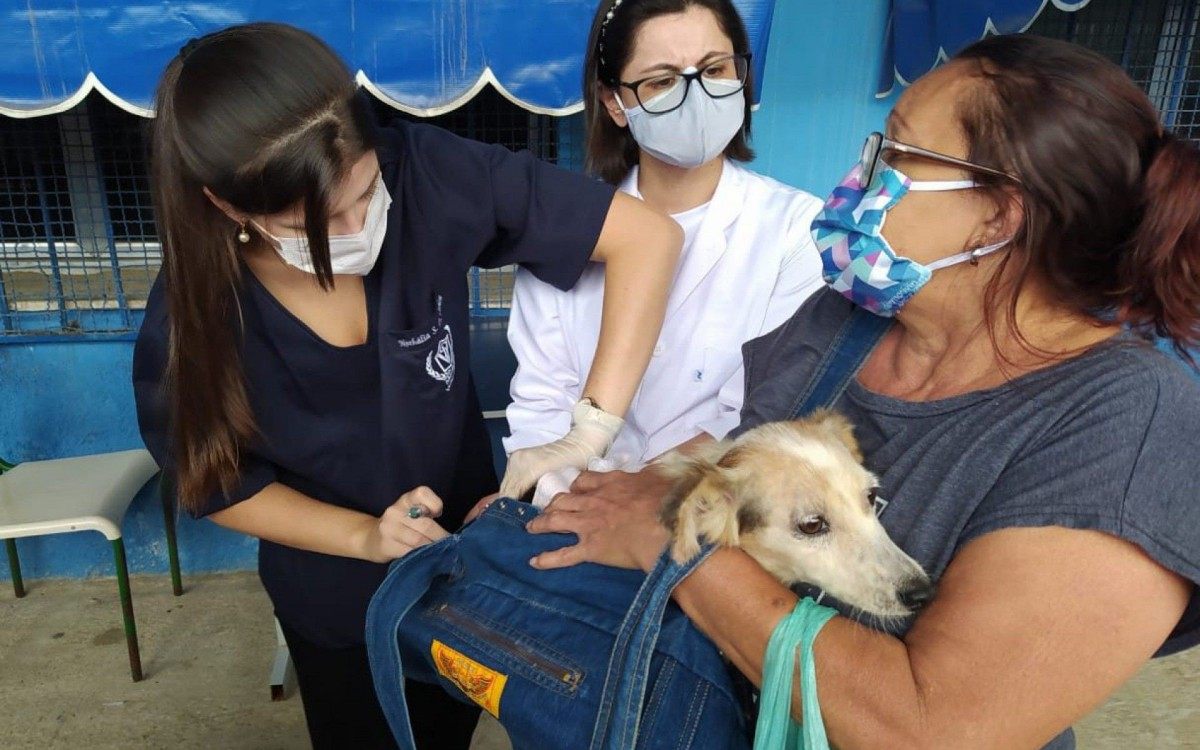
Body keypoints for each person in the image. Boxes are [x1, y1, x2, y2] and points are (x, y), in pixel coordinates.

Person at [525, 34, 1200, 749]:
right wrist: (575, 502)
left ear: (998, 216)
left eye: (897, 157)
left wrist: (677, 544)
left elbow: (927, 729)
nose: (859, 176)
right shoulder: (848, 321)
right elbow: (746, 466)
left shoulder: (1129, 423)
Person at [132, 22, 681, 750]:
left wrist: (591, 431)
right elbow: (216, 482)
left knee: (447, 726)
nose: (362, 227)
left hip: (460, 568)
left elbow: (648, 238)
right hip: (336, 601)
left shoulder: (428, 174)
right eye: (321, 222)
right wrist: (364, 535)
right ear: (232, 210)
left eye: (366, 191)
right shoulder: (195, 318)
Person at [502, 0, 824, 482]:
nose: (696, 97)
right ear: (615, 102)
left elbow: (758, 414)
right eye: (661, 80)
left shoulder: (796, 229)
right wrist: (570, 506)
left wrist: (631, 501)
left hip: (714, 514)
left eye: (715, 69)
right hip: (570, 512)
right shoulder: (564, 235)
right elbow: (541, 406)